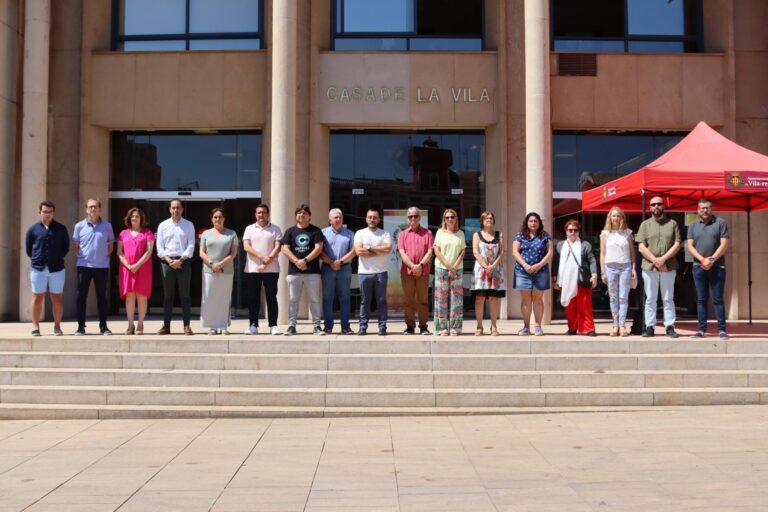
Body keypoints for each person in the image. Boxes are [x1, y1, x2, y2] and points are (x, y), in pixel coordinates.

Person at [636, 196, 682, 338]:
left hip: (668, 266)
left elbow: (677, 244)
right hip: (650, 267)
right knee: (650, 298)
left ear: (663, 206)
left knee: (668, 298)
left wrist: (663, 259)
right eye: (653, 204)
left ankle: (670, 326)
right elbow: (641, 246)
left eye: (659, 204)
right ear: (650, 208)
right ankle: (650, 327)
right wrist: (655, 260)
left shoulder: (673, 223)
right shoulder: (644, 225)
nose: (656, 206)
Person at [687, 198, 730, 339]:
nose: (704, 210)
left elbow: (724, 244)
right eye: (701, 208)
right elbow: (690, 246)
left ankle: (722, 330)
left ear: (712, 208)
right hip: (698, 267)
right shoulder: (693, 225)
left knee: (718, 299)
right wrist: (702, 260)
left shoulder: (720, 223)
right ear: (698, 209)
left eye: (707, 208)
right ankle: (701, 330)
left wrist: (711, 259)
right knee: (701, 299)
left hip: (717, 266)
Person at [25, 201, 69, 336]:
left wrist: (55, 258)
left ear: (53, 213)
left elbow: (65, 248)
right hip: (38, 268)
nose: (47, 214)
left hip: (57, 269)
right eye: (45, 211)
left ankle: (57, 327)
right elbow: (28, 249)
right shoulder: (32, 229)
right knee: (37, 297)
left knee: (57, 297)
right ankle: (35, 327)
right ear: (40, 213)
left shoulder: (61, 229)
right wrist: (38, 259)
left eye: (50, 212)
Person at [72, 198, 115, 335]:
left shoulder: (107, 226)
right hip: (84, 266)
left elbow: (110, 247)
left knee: (102, 296)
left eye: (95, 206)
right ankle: (80, 326)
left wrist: (100, 258)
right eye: (90, 207)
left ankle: (103, 326)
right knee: (81, 296)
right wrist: (85, 258)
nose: (93, 209)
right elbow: (76, 246)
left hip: (101, 267)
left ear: (100, 209)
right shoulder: (79, 226)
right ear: (86, 209)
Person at [281, 204, 324, 335]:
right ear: (296, 216)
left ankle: (317, 326)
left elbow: (318, 248)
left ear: (309, 216)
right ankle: (292, 326)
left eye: (304, 212)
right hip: (294, 272)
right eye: (299, 213)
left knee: (315, 299)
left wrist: (305, 260)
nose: (302, 214)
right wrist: (296, 261)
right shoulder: (290, 231)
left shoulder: (315, 231)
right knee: (294, 299)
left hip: (312, 272)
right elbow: (285, 249)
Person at [156, 199, 196, 336]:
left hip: (183, 263)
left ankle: (187, 326)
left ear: (182, 209)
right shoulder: (163, 225)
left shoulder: (189, 225)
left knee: (185, 296)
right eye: (173, 208)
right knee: (168, 296)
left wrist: (181, 260)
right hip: (166, 263)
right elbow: (159, 247)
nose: (175, 210)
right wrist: (169, 260)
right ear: (169, 209)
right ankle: (166, 326)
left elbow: (191, 245)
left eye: (178, 207)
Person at [242, 203, 282, 335]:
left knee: (271, 297)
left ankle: (273, 325)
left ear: (268, 214)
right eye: (258, 212)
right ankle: (253, 325)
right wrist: (261, 257)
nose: (261, 215)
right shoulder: (249, 228)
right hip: (253, 269)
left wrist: (267, 261)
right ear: (255, 214)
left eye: (263, 212)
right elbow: (247, 247)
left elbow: (277, 247)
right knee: (253, 297)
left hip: (272, 269)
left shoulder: (275, 229)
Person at [553, 219, 597, 336]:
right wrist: (555, 279)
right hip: (566, 281)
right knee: (570, 307)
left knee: (585, 306)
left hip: (581, 279)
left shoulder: (585, 245)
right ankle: (572, 328)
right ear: (566, 231)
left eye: (575, 230)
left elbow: (592, 260)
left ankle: (589, 329)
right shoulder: (560, 245)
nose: (573, 232)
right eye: (570, 230)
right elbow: (556, 262)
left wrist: (594, 275)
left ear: (579, 231)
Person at [511, 212, 553, 336]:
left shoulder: (545, 236)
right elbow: (515, 251)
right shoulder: (520, 235)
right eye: (531, 221)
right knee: (525, 300)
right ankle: (525, 327)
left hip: (541, 271)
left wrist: (539, 265)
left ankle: (538, 326)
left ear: (539, 223)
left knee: (538, 299)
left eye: (535, 221)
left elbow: (549, 253)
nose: (533, 223)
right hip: (523, 271)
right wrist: (525, 265)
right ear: (527, 223)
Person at [199, 208, 238, 335]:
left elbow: (233, 253)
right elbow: (201, 252)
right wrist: (212, 264)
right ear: (212, 219)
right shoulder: (206, 233)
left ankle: (223, 326)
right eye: (215, 217)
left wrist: (220, 264)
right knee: (210, 297)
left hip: (226, 270)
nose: (217, 219)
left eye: (220, 217)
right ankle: (212, 326)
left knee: (224, 297)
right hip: (209, 270)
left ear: (224, 219)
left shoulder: (232, 234)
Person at [354, 208, 392, 336]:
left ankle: (382, 327)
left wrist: (369, 248)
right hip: (364, 273)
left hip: (381, 272)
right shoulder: (360, 233)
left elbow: (387, 249)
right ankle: (363, 326)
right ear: (366, 219)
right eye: (370, 217)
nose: (372, 219)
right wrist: (378, 251)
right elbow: (359, 251)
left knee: (381, 300)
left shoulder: (385, 233)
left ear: (379, 219)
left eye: (375, 217)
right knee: (365, 301)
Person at [116, 208, 155, 335]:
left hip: (143, 268)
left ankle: (140, 324)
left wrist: (137, 264)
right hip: (127, 269)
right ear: (129, 218)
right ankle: (130, 324)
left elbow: (149, 251)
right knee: (130, 296)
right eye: (132, 216)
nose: (134, 218)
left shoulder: (147, 232)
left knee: (142, 296)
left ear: (141, 218)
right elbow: (119, 252)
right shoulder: (123, 233)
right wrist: (128, 264)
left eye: (137, 216)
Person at [600, 206, 637, 337]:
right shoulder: (605, 233)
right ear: (610, 217)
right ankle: (615, 325)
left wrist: (633, 268)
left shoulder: (627, 233)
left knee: (623, 297)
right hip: (610, 267)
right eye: (614, 216)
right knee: (613, 297)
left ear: (622, 218)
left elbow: (632, 253)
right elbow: (602, 254)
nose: (616, 218)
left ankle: (622, 325)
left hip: (625, 266)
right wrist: (602, 272)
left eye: (618, 216)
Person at [397, 206, 434, 335]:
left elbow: (430, 251)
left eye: (415, 216)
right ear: (407, 218)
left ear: (420, 217)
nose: (413, 218)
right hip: (407, 272)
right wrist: (413, 266)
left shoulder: (428, 233)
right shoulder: (402, 234)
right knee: (408, 300)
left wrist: (421, 266)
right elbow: (402, 252)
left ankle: (423, 326)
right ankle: (410, 326)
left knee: (423, 300)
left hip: (423, 272)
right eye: (410, 216)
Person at [320, 208, 356, 335]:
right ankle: (328, 326)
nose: (338, 219)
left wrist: (339, 262)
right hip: (327, 268)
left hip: (344, 269)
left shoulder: (350, 233)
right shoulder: (323, 233)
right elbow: (319, 251)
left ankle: (345, 326)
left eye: (340, 217)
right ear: (330, 220)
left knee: (345, 298)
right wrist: (331, 262)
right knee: (327, 298)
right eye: (335, 217)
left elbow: (353, 251)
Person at [471, 211, 506, 336]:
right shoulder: (477, 235)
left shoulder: (499, 234)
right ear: (482, 221)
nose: (489, 220)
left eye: (491, 218)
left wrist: (493, 266)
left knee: (493, 299)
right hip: (481, 270)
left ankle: (494, 326)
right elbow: (475, 252)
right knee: (479, 299)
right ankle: (479, 326)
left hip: (496, 269)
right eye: (486, 218)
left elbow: (502, 252)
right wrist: (486, 266)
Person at [433, 208, 466, 336]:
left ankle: (454, 328)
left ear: (456, 218)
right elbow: (436, 250)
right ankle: (441, 328)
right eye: (447, 217)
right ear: (444, 220)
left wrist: (454, 267)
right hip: (441, 268)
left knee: (456, 299)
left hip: (457, 269)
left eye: (452, 217)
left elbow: (463, 251)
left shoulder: (461, 233)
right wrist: (448, 266)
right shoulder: (440, 233)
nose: (450, 219)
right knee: (441, 299)